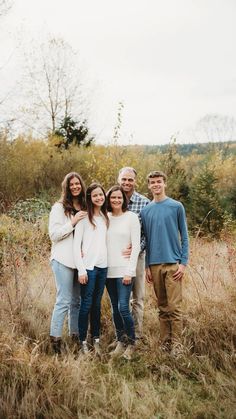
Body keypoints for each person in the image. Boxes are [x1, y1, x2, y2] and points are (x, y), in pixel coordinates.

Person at [140, 171, 189, 352]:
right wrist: (146, 266)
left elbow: (185, 236)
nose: (156, 185)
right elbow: (146, 240)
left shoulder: (176, 207)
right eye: (152, 182)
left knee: (174, 308)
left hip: (173, 264)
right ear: (149, 186)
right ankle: (164, 345)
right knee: (162, 308)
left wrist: (183, 263)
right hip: (154, 265)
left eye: (159, 182)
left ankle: (177, 347)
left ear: (164, 183)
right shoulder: (146, 211)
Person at [48, 172, 87, 354]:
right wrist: (72, 222)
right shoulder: (59, 207)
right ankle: (55, 340)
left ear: (81, 185)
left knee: (76, 302)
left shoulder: (85, 206)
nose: (75, 187)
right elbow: (54, 235)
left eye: (77, 184)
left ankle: (76, 337)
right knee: (63, 300)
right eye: (71, 184)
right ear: (67, 187)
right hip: (62, 259)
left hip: (79, 262)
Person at [73, 183, 109, 356]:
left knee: (96, 305)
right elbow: (76, 246)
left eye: (101, 195)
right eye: (95, 195)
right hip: (88, 268)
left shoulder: (105, 216)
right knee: (86, 305)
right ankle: (82, 341)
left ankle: (96, 339)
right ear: (90, 198)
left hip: (103, 267)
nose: (99, 198)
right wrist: (81, 270)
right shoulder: (83, 219)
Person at [106, 185, 140, 360]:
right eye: (113, 198)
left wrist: (130, 271)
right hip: (107, 271)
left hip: (125, 270)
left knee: (123, 308)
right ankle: (120, 341)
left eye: (119, 197)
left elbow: (135, 247)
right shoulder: (105, 218)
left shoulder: (131, 217)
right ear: (108, 199)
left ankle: (132, 343)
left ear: (124, 199)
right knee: (114, 309)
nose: (116, 200)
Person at [118, 167, 150, 339]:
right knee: (122, 299)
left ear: (135, 182)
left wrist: (137, 248)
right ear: (119, 180)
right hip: (118, 257)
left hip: (137, 257)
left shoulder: (144, 202)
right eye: (124, 179)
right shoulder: (113, 199)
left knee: (138, 297)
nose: (127, 183)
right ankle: (122, 334)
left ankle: (136, 335)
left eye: (130, 180)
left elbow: (148, 233)